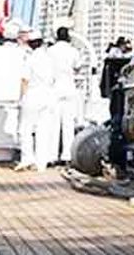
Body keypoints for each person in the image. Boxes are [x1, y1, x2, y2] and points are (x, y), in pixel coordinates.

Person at [17, 28, 56, 171]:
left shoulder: (30, 58)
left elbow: (24, 80)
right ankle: (41, 164)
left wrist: (21, 98)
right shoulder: (49, 58)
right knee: (43, 130)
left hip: (33, 94)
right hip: (48, 95)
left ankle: (27, 159)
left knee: (25, 129)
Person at [49, 26, 82, 165]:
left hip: (54, 88)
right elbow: (78, 66)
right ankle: (66, 156)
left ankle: (52, 155)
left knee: (53, 124)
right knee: (68, 124)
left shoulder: (50, 51)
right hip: (69, 87)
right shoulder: (73, 51)